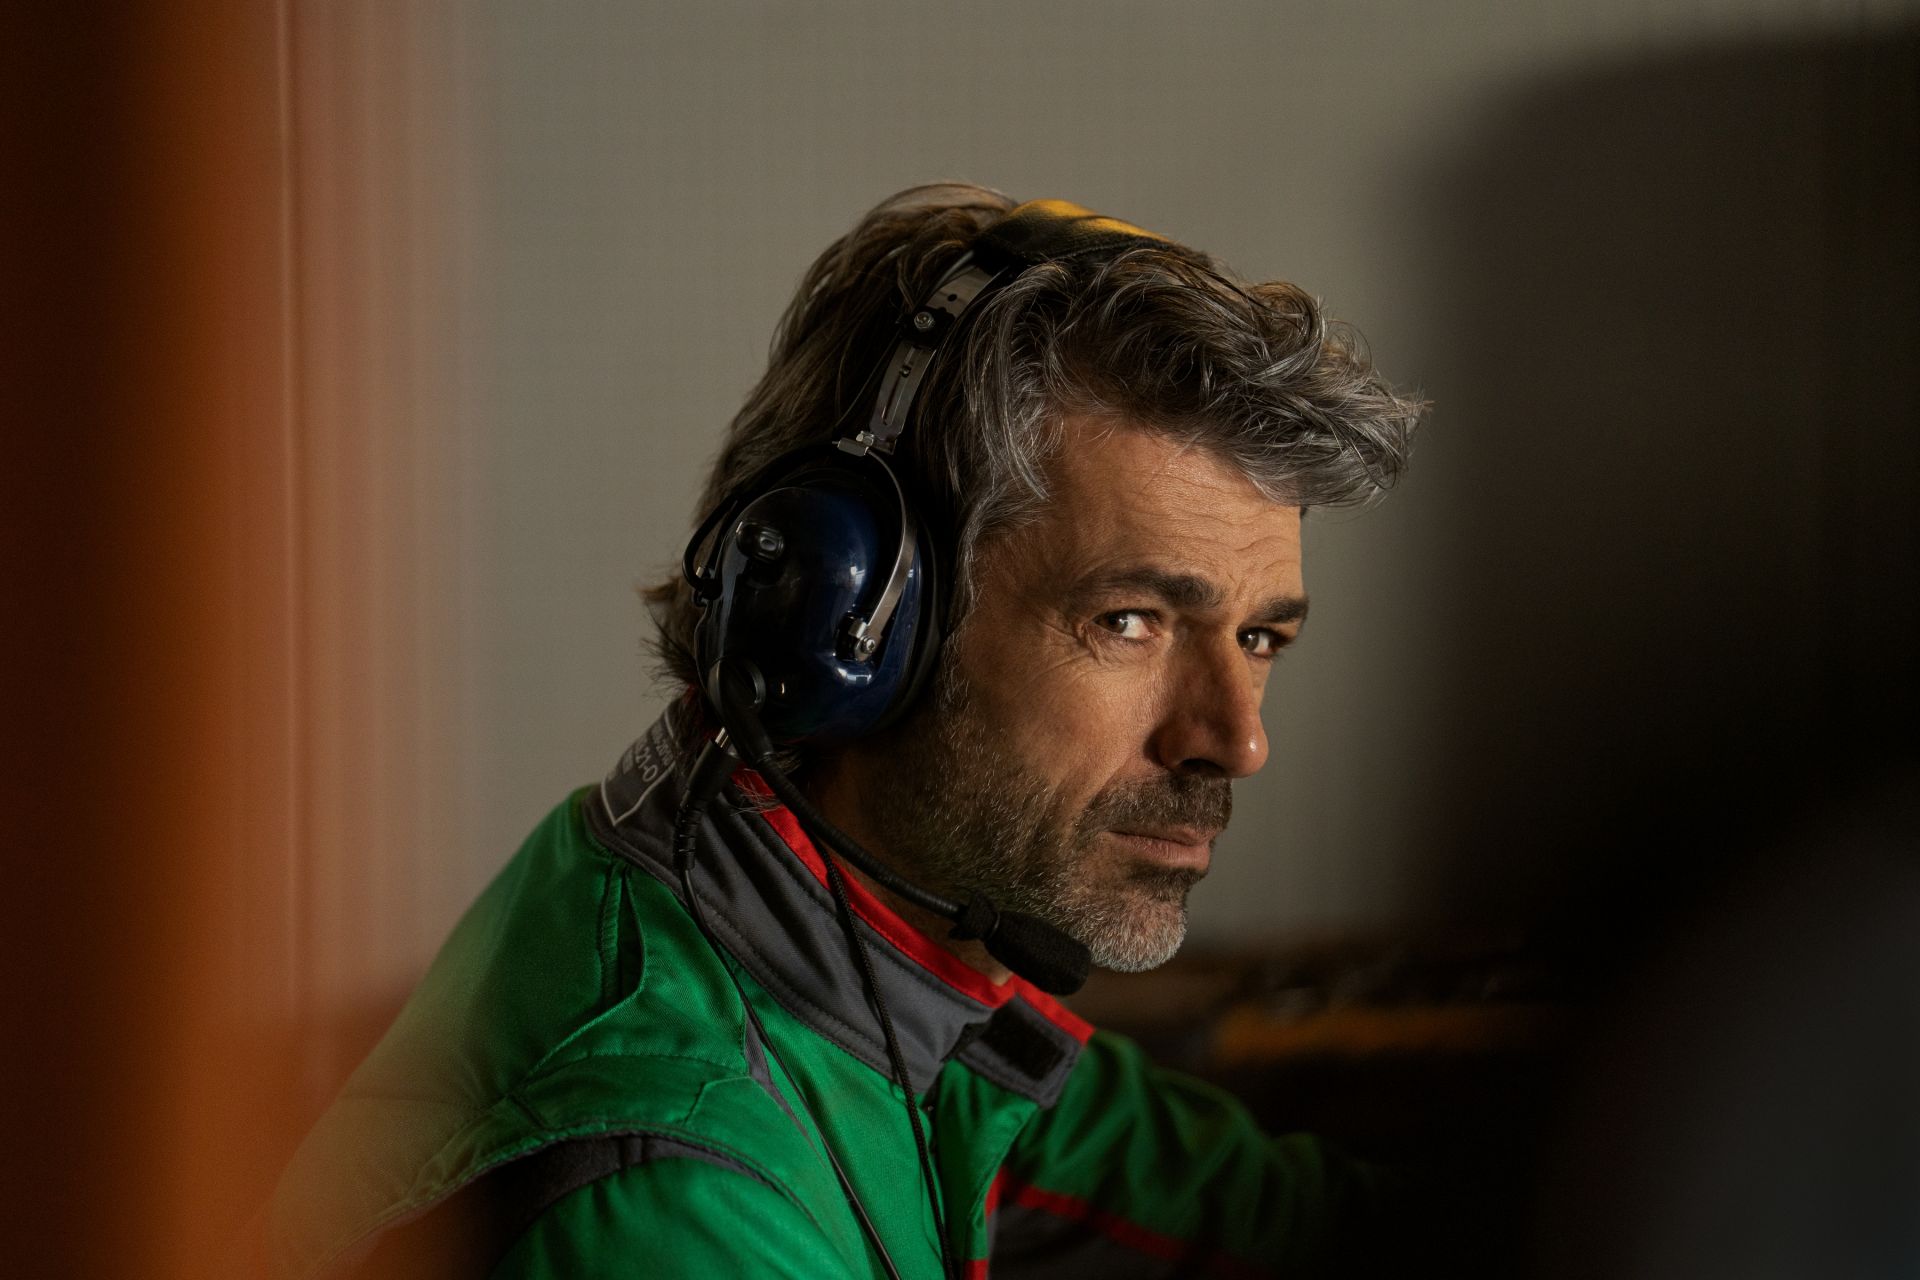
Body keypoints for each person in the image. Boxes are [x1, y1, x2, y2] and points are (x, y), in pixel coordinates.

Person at [266, 184, 1424, 1279]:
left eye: (1260, 637)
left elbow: (1273, 1211)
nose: (1235, 739)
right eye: (1131, 621)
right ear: (854, 615)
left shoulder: (884, 956)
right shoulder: (674, 1197)